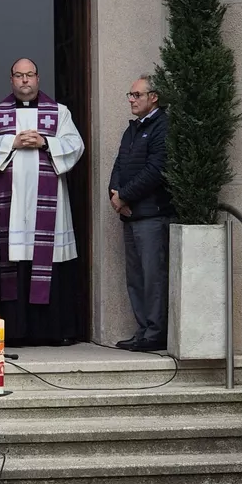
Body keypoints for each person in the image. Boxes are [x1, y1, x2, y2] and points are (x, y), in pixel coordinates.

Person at [0, 58, 85, 346]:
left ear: (38, 78)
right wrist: (11, 142)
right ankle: (11, 332)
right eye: (19, 75)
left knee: (47, 259)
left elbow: (76, 146)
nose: (25, 80)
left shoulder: (59, 113)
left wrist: (46, 143)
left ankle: (51, 331)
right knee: (9, 259)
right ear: (11, 80)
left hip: (46, 206)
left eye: (30, 75)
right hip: (8, 210)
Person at [108, 74, 173, 352]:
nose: (131, 100)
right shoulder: (132, 129)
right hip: (130, 214)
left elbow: (156, 170)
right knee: (136, 277)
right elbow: (119, 164)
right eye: (130, 95)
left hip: (152, 215)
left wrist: (125, 195)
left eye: (137, 95)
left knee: (153, 277)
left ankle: (155, 333)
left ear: (153, 97)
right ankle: (143, 329)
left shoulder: (163, 126)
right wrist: (114, 194)